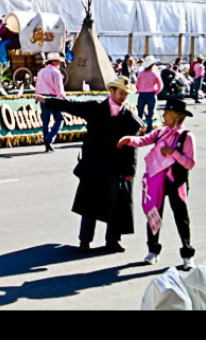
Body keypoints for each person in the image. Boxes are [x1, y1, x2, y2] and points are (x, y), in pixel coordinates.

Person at [37, 76, 144, 253]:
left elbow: (132, 147)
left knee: (115, 206)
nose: (123, 97)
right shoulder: (95, 108)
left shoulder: (129, 118)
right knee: (90, 205)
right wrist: (48, 100)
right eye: (120, 93)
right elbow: (71, 105)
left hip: (115, 168)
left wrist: (130, 171)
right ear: (111, 92)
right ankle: (85, 241)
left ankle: (112, 241)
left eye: (126, 94)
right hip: (94, 164)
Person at [117, 98, 197, 269]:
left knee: (181, 218)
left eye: (167, 113)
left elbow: (189, 163)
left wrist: (173, 153)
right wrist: (129, 139)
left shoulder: (186, 137)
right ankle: (153, 250)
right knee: (154, 214)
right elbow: (144, 139)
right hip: (156, 179)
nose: (164, 116)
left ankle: (187, 254)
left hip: (176, 182)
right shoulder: (161, 132)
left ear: (177, 116)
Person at [35, 53, 67, 152]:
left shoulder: (41, 71)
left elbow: (38, 85)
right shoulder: (56, 72)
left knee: (46, 121)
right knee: (59, 119)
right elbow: (59, 88)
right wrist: (63, 98)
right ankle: (49, 139)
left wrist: (37, 96)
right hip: (52, 97)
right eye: (58, 62)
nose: (60, 64)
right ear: (53, 62)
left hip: (42, 97)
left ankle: (47, 140)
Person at [136, 56, 163, 133]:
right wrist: (156, 92)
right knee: (150, 114)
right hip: (151, 94)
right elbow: (160, 85)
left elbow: (137, 84)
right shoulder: (155, 73)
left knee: (139, 113)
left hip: (142, 94)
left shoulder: (141, 73)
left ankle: (138, 129)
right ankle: (149, 130)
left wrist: (139, 90)